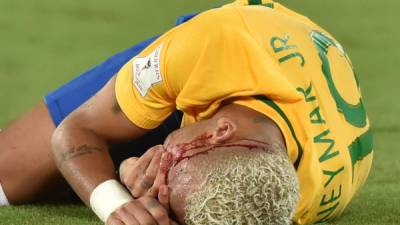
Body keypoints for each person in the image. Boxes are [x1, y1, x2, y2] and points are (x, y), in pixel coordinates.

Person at [0, 0, 373, 224]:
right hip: (234, 45)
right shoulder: (202, 51)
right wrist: (116, 204)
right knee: (7, 171)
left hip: (279, 89)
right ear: (217, 131)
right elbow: (75, 130)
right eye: (170, 169)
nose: (158, 185)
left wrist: (133, 178)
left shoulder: (302, 198)